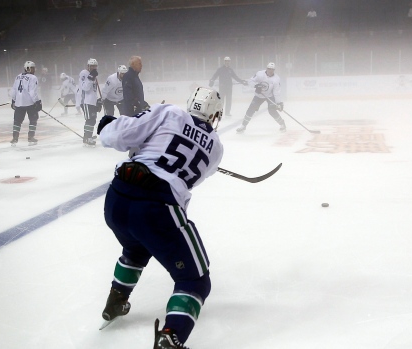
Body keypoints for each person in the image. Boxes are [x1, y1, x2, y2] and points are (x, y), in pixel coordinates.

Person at [96, 86, 224, 349]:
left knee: (135, 247)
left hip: (117, 199)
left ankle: (116, 299)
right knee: (195, 280)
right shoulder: (216, 148)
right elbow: (187, 179)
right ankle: (171, 336)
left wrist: (107, 126)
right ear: (214, 115)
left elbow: (121, 135)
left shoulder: (169, 112)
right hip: (157, 207)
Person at [236, 62, 286, 134]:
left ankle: (282, 124)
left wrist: (279, 103)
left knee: (272, 110)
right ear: (266, 68)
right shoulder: (260, 74)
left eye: (272, 69)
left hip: (269, 96)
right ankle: (243, 126)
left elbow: (276, 92)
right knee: (251, 110)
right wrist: (256, 85)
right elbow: (251, 81)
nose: (270, 71)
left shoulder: (276, 79)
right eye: (269, 69)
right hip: (259, 96)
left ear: (274, 70)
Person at [9, 60, 42, 146]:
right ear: (29, 68)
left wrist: (13, 100)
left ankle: (15, 138)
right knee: (33, 119)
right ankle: (31, 137)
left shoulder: (18, 76)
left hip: (19, 103)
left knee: (17, 121)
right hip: (29, 103)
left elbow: (13, 90)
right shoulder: (33, 78)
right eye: (33, 68)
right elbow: (32, 91)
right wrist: (37, 102)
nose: (34, 70)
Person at [78, 58, 100, 147]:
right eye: (92, 66)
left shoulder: (93, 75)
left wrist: (98, 100)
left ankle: (88, 136)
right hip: (86, 101)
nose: (93, 67)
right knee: (90, 119)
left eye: (95, 66)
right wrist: (91, 77)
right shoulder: (84, 73)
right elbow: (85, 88)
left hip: (92, 101)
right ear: (88, 66)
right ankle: (87, 137)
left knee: (93, 120)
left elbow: (94, 90)